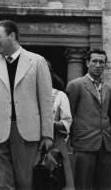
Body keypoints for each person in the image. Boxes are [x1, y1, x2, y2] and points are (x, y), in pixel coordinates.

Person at [0, 20, 53, 190]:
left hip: (28, 133)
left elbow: (46, 101)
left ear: (12, 36)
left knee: (26, 183)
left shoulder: (37, 61)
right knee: (2, 184)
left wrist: (47, 134)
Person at [66, 49, 111, 190]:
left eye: (102, 62)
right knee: (83, 186)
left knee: (104, 186)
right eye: (95, 61)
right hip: (84, 144)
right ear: (88, 63)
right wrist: (73, 141)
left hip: (105, 145)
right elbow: (68, 114)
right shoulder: (75, 85)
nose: (98, 65)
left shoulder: (109, 89)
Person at [47, 60, 75, 190]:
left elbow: (66, 123)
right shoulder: (26, 95)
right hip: (30, 144)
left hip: (55, 145)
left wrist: (50, 123)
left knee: (56, 182)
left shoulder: (59, 96)